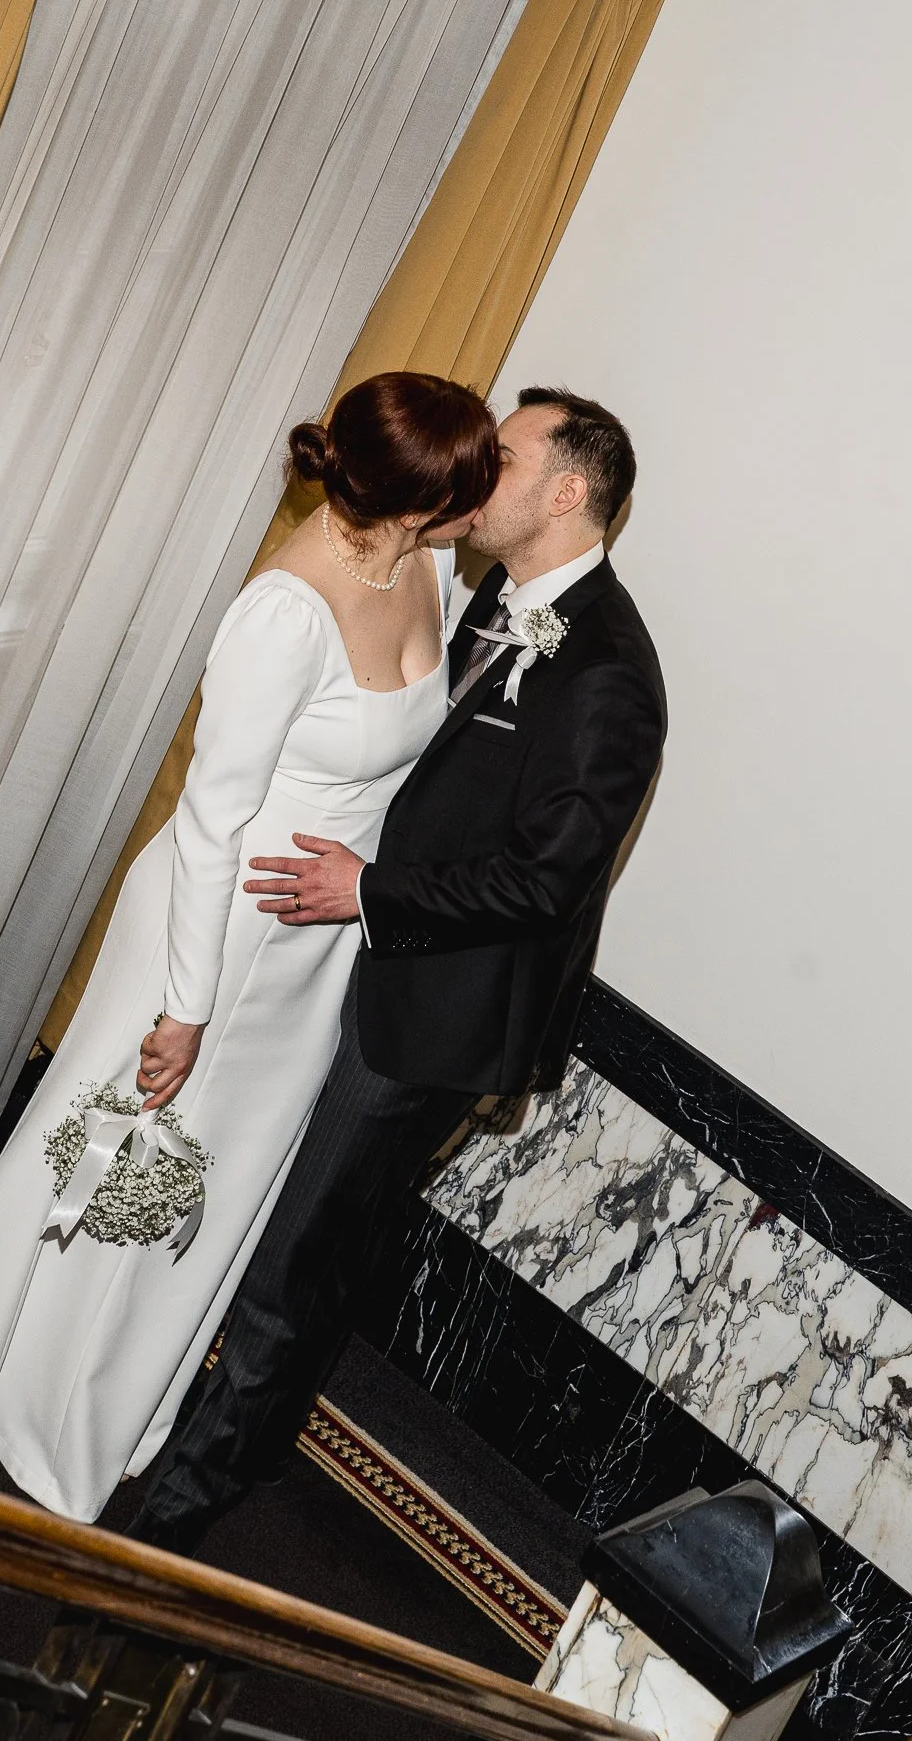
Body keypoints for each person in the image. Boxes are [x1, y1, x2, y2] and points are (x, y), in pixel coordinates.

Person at [0, 372, 498, 1522]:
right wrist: (184, 1005)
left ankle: (92, 1404)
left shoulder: (434, 566)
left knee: (214, 1179)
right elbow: (212, 817)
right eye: (464, 481)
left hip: (317, 941)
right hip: (213, 921)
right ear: (407, 498)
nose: (481, 498)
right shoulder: (284, 611)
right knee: (96, 1154)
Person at [127, 387, 667, 1552]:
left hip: (438, 1006)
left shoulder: (611, 672)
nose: (481, 468)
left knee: (302, 1249)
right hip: (363, 965)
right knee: (314, 1223)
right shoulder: (488, 597)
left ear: (567, 491)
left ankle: (175, 1513)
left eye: (506, 455)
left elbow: (549, 879)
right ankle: (252, 1439)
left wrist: (368, 892)